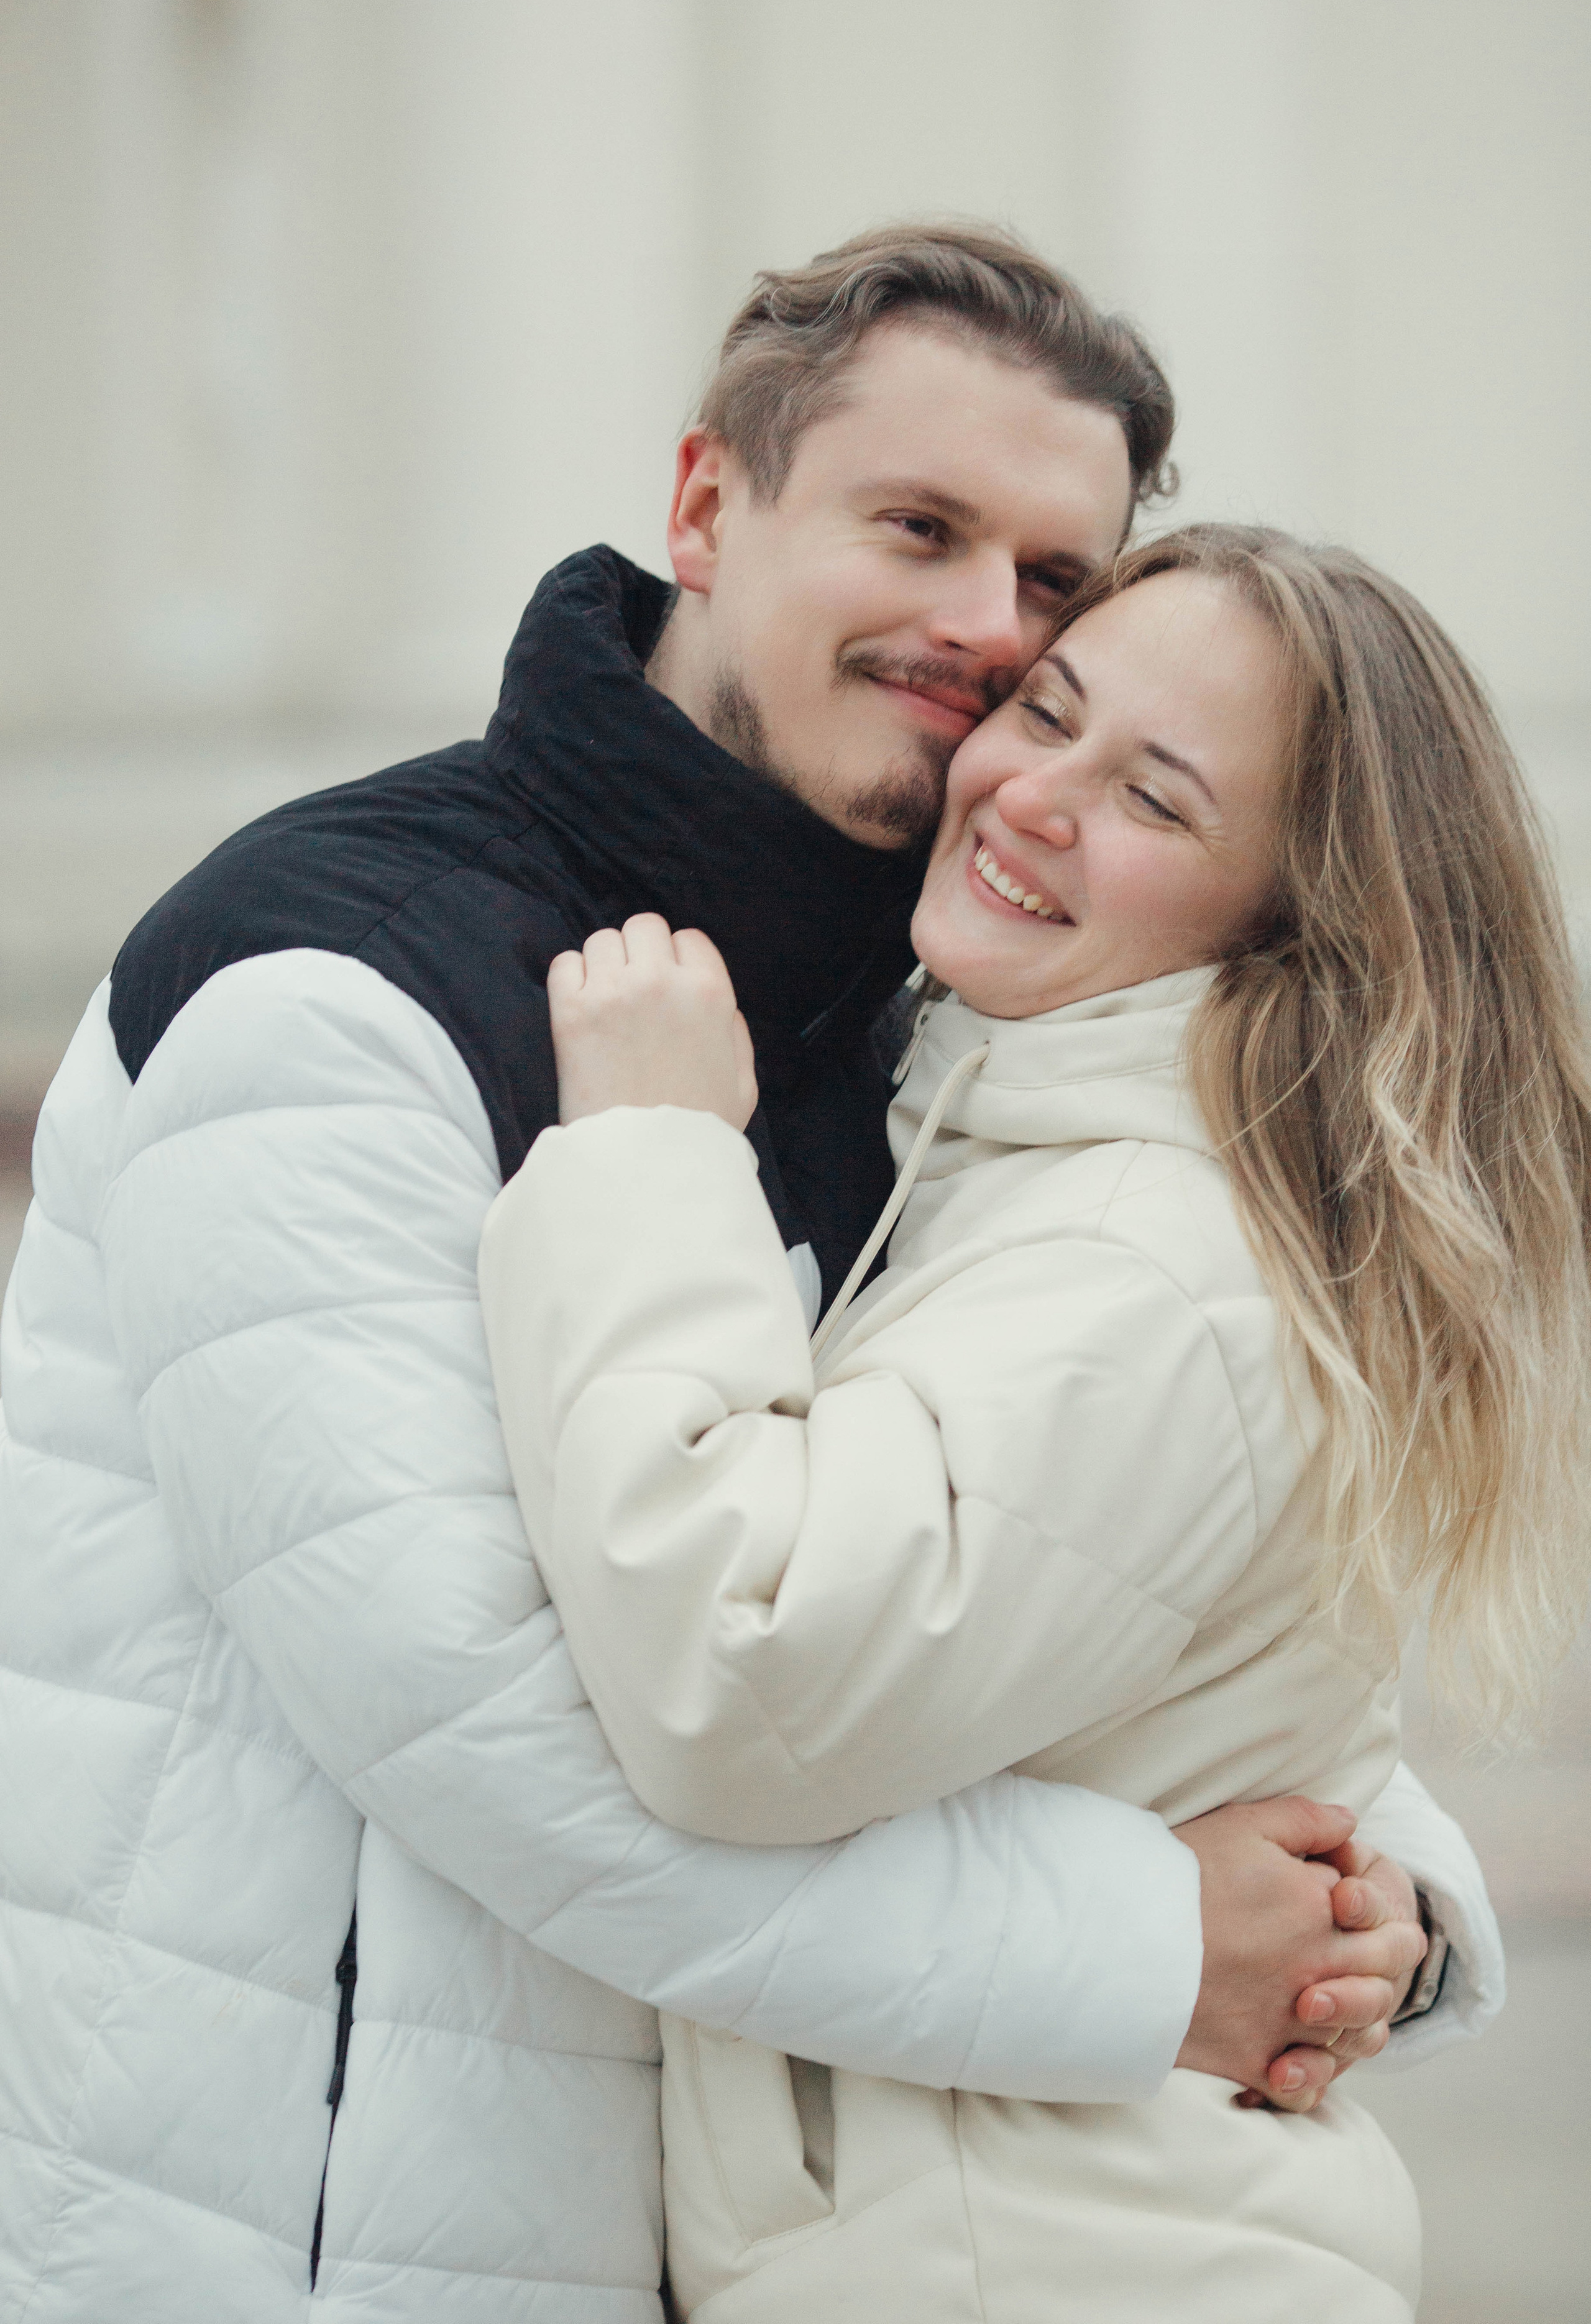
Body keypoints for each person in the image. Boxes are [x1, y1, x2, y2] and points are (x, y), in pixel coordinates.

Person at [0, 228, 1494, 2319]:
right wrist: (1160, 1948)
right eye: (919, 528)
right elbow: (525, 1758)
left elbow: (1046, 1571)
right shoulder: (331, 986)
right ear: (707, 506)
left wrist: (1372, 1900)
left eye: (1051, 580)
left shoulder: (926, 1027)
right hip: (286, 2247)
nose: (985, 629)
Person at [480, 524, 1591, 2320]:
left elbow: (744, 1676)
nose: (1031, 795)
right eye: (1048, 712)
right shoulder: (1044, 1152)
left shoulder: (1154, 1264)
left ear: (1286, 919)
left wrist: (647, 1156)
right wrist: (1380, 1908)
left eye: (1154, 796)